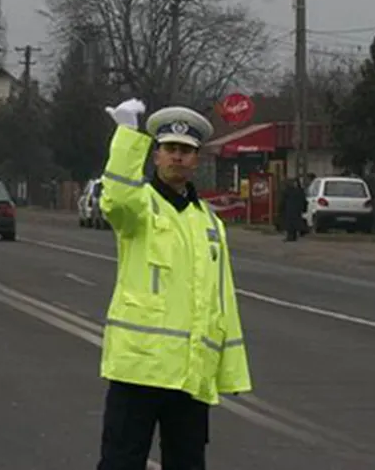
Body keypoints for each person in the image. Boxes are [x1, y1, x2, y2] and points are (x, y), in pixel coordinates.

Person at [96, 99, 252, 470]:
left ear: (196, 159)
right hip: (139, 369)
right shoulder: (140, 207)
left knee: (187, 464)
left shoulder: (210, 223)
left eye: (186, 151)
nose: (177, 157)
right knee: (121, 462)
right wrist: (127, 137)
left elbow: (222, 301)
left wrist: (227, 370)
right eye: (170, 149)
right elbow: (114, 199)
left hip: (190, 373)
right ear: (156, 156)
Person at [279, 177, 306, 242]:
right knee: (293, 222)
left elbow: (283, 201)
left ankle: (291, 236)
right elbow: (304, 200)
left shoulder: (288, 191)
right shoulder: (299, 191)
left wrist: (281, 208)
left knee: (290, 223)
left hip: (291, 209)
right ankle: (293, 236)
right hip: (294, 209)